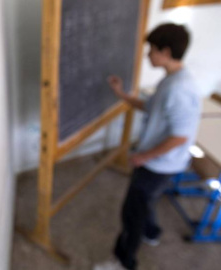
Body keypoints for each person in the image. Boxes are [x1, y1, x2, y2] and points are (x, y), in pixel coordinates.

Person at [95, 23, 201, 270]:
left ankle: (124, 262)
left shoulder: (178, 88)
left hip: (159, 165)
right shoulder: (172, 79)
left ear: (165, 51)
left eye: (151, 49)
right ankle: (151, 232)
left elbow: (180, 136)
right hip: (162, 163)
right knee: (146, 203)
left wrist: (144, 157)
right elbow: (152, 108)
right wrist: (122, 94)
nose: (147, 55)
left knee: (132, 213)